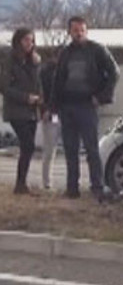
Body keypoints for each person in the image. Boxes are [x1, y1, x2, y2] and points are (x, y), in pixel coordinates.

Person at [51, 16, 120, 200]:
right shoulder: (65, 53)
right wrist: (54, 105)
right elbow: (58, 80)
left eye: (82, 30)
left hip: (87, 105)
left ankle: (97, 186)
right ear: (69, 32)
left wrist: (102, 96)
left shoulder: (97, 50)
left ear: (87, 31)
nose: (79, 34)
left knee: (92, 149)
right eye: (75, 30)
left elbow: (114, 72)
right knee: (70, 149)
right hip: (67, 105)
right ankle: (72, 188)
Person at [0, 28, 42, 194]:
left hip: (32, 109)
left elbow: (38, 83)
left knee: (28, 147)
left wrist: (40, 100)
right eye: (26, 40)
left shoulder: (33, 60)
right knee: (28, 144)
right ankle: (20, 183)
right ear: (18, 41)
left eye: (31, 40)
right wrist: (25, 97)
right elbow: (5, 87)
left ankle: (21, 183)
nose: (29, 44)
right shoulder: (9, 59)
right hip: (17, 109)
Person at [39, 49, 61, 190]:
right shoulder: (46, 72)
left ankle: (72, 182)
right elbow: (40, 92)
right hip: (52, 113)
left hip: (66, 113)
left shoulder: (68, 71)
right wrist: (44, 110)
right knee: (49, 149)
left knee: (71, 149)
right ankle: (46, 182)